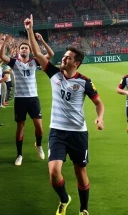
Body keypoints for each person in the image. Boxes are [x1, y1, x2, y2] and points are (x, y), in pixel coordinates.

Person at [25, 14, 104, 215]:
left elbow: (98, 103)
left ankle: (84, 209)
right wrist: (29, 30)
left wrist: (100, 117)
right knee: (53, 173)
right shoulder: (54, 74)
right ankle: (64, 199)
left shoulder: (85, 82)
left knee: (80, 172)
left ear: (76, 63)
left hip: (78, 133)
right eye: (64, 56)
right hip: (58, 132)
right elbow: (36, 52)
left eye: (68, 57)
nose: (63, 58)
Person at [0, 33, 54, 166]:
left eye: (26, 48)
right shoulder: (15, 63)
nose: (24, 49)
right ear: (18, 51)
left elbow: (50, 54)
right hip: (20, 99)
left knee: (39, 128)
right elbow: (1, 56)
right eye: (22, 48)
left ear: (29, 51)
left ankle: (39, 145)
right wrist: (5, 41)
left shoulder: (34, 62)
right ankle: (19, 155)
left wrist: (41, 41)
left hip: (33, 99)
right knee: (20, 127)